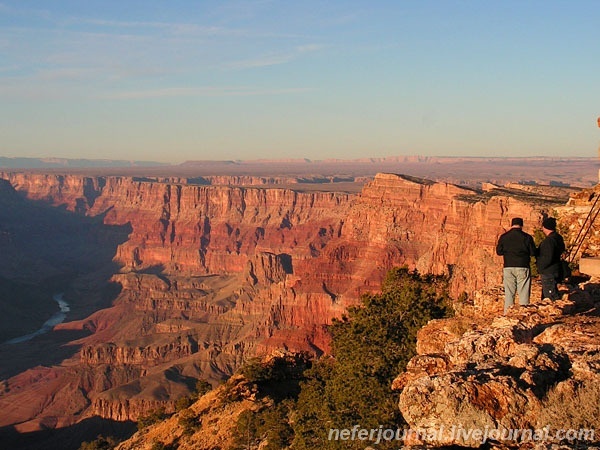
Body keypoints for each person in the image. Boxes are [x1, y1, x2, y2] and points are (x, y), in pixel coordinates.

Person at [496, 217, 537, 314]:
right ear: (521, 225)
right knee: (524, 293)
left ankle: (507, 314)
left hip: (508, 267)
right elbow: (533, 252)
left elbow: (499, 252)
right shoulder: (527, 237)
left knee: (509, 293)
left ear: (511, 225)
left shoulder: (504, 237)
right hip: (523, 266)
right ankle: (523, 314)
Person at [537, 217, 566, 301]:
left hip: (548, 272)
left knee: (550, 297)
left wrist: (540, 267)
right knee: (551, 293)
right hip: (556, 269)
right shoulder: (558, 237)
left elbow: (548, 257)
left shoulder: (549, 240)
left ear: (545, 227)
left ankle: (556, 312)